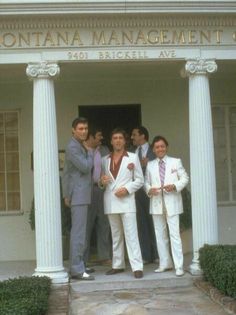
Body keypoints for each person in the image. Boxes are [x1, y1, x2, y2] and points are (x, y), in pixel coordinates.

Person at [100, 128, 144, 278]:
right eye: (115, 138)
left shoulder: (133, 157)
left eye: (120, 138)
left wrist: (127, 189)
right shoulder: (104, 160)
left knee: (131, 234)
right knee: (116, 234)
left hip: (126, 201)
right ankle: (118, 265)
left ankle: (137, 266)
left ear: (124, 141)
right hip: (111, 201)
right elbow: (101, 181)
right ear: (111, 141)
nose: (118, 140)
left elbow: (140, 180)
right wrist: (102, 181)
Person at [145, 135, 189, 277]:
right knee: (160, 235)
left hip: (172, 203)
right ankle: (165, 263)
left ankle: (179, 266)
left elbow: (185, 178)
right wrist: (148, 190)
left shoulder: (176, 162)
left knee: (174, 235)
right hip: (157, 203)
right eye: (157, 147)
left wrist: (175, 186)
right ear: (153, 149)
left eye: (162, 146)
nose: (160, 149)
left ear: (166, 147)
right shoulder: (150, 165)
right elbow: (146, 182)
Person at [62, 117, 95, 281]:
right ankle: (76, 269)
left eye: (86, 128)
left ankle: (79, 264)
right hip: (79, 195)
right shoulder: (73, 147)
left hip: (82, 194)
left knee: (81, 232)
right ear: (73, 130)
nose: (84, 131)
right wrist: (90, 152)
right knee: (78, 233)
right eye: (80, 128)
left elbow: (68, 173)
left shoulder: (78, 145)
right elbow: (85, 166)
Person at [84, 126, 111, 266]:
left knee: (104, 223)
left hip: (101, 190)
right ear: (91, 137)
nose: (101, 138)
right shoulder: (81, 150)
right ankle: (84, 258)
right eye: (99, 135)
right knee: (86, 225)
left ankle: (104, 256)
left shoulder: (105, 150)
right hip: (86, 192)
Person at [131, 126, 158, 264]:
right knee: (141, 224)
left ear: (142, 136)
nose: (132, 137)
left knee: (155, 222)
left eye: (134, 134)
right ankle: (146, 255)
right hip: (137, 193)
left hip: (153, 191)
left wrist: (149, 163)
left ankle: (158, 255)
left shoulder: (154, 149)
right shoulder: (132, 152)